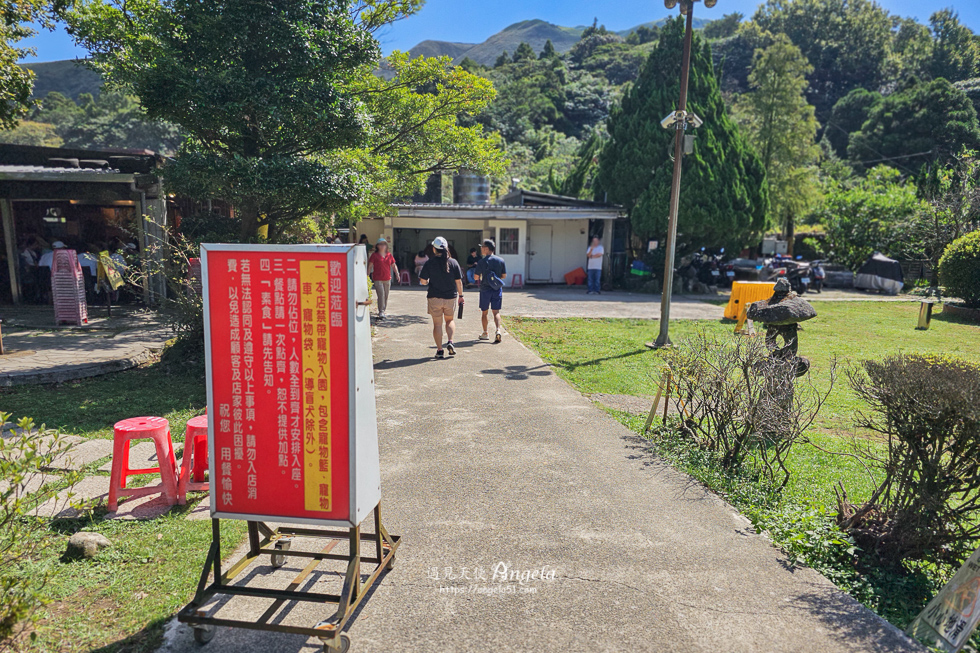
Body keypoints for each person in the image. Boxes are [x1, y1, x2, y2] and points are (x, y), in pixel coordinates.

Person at [419, 236, 464, 359]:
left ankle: (439, 350)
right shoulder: (453, 262)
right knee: (449, 320)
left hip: (434, 297)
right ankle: (450, 341)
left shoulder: (429, 263)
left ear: (434, 249)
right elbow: (459, 282)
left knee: (437, 324)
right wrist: (461, 296)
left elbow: (423, 281)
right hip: (450, 297)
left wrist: (427, 281)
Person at [474, 239, 507, 343]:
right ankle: (498, 330)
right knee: (496, 312)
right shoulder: (500, 260)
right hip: (497, 289)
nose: (481, 248)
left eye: (482, 247)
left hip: (485, 289)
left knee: (484, 313)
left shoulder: (481, 262)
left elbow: (475, 277)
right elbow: (503, 276)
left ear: (486, 248)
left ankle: (485, 333)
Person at [367, 237, 398, 320]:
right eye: (380, 244)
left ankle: (383, 310)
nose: (382, 246)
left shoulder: (389, 255)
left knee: (386, 295)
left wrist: (397, 274)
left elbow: (393, 265)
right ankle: (381, 311)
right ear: (377, 246)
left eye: (384, 244)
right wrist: (367, 276)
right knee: (381, 294)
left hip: (387, 278)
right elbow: (370, 266)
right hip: (378, 278)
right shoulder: (374, 255)